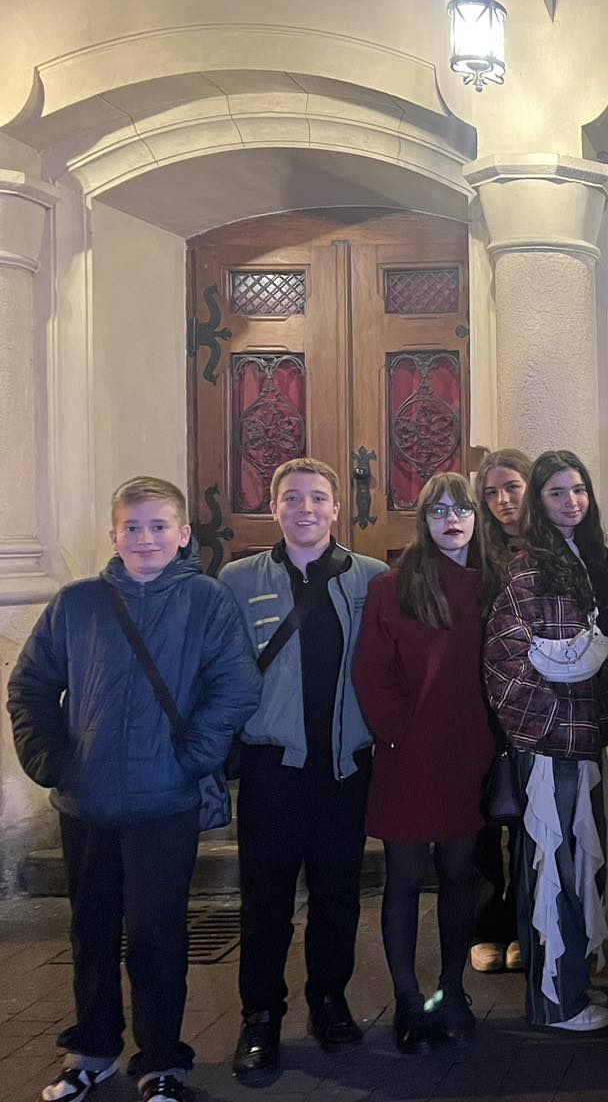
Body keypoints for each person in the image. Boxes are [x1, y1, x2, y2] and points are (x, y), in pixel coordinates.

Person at [8, 477, 260, 1102]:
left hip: (164, 801)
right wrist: (50, 760)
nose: (145, 538)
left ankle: (162, 1060)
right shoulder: (77, 603)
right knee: (90, 933)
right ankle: (91, 1051)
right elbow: (30, 685)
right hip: (86, 801)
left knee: (157, 936)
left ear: (183, 534)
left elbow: (235, 685)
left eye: (158, 527)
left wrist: (192, 758)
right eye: (133, 527)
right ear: (114, 534)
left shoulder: (206, 601)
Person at [220, 459, 388, 1087]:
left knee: (337, 892)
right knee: (265, 898)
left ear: (337, 508)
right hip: (273, 765)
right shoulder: (238, 579)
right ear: (274, 509)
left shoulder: (372, 577)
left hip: (344, 763)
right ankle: (260, 1015)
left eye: (318, 497)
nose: (306, 508)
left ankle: (329, 999)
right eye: (292, 498)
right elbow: (225, 665)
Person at [352, 472, 497, 1054]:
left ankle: (452, 991)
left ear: (476, 517)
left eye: (461, 509)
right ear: (423, 519)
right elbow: (372, 673)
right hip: (408, 755)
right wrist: (400, 733)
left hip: (469, 751)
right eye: (439, 511)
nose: (452, 520)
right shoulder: (393, 587)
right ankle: (409, 1000)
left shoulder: (491, 583)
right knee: (406, 878)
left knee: (460, 874)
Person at [484, 450, 608, 1033]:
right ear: (539, 503)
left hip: (580, 739)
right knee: (550, 868)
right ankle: (555, 1004)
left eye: (579, 489)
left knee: (576, 864)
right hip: (549, 744)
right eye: (557, 492)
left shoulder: (581, 557)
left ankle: (570, 983)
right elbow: (504, 662)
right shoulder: (529, 567)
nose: (572, 501)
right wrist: (545, 729)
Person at [472, 448, 533, 976]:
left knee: (534, 821)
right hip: (483, 700)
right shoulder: (476, 552)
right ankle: (488, 926)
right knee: (486, 818)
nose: (502, 501)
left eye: (512, 487)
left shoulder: (551, 544)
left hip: (539, 702)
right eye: (491, 493)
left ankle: (525, 924)